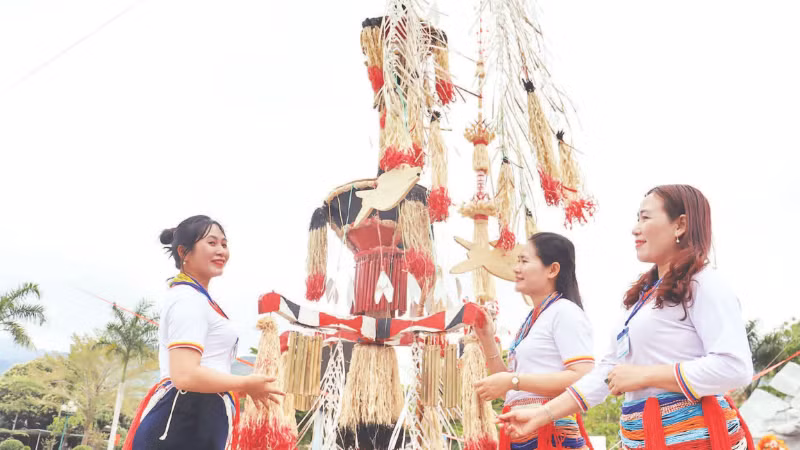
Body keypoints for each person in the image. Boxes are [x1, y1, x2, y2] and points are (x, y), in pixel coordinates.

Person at [497, 185, 755, 449]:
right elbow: (607, 373)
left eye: (645, 218)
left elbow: (735, 367)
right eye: (637, 218)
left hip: (693, 439)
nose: (635, 228)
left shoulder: (704, 284)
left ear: (680, 225)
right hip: (642, 437)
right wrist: (541, 415)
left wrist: (646, 375)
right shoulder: (640, 299)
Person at [125, 215, 283, 450]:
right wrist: (244, 383)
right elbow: (185, 375)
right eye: (211, 243)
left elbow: (205, 368)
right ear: (184, 252)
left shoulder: (197, 298)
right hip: (184, 417)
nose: (221, 250)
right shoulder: (188, 299)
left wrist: (236, 387)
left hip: (195, 416)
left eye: (224, 244)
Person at [473, 232, 595, 449]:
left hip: (552, 435)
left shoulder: (564, 311)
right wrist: (487, 339)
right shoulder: (534, 318)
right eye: (517, 261)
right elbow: (509, 390)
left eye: (524, 261)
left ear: (552, 269)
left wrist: (513, 381)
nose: (516, 268)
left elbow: (583, 377)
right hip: (522, 433)